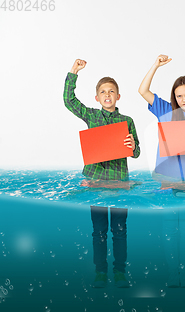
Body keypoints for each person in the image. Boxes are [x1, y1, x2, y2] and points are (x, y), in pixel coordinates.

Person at [138, 55, 185, 288]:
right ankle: (173, 273)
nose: (184, 99)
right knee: (170, 227)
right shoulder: (165, 111)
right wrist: (156, 66)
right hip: (167, 179)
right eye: (179, 95)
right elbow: (143, 90)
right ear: (175, 97)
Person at [63, 59, 140, 288]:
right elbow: (69, 101)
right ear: (97, 98)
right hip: (94, 182)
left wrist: (132, 145)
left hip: (119, 183)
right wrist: (73, 72)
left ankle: (120, 272)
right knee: (98, 231)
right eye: (103, 92)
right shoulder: (92, 116)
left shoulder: (127, 121)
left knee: (119, 230)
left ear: (118, 96)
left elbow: (136, 153)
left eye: (112, 91)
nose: (108, 95)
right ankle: (100, 272)